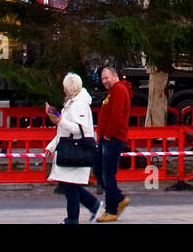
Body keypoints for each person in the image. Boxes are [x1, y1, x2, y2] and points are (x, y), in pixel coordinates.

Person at [45, 72, 103, 224]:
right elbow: (64, 122)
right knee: (70, 186)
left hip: (75, 151)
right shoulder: (72, 102)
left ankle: (73, 218)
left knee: (69, 187)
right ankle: (93, 206)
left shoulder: (78, 104)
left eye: (65, 87)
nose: (63, 90)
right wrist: (53, 113)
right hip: (72, 150)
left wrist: (59, 120)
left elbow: (78, 128)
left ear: (69, 88)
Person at [95, 66, 132, 222]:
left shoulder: (118, 90)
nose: (104, 81)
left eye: (106, 78)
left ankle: (111, 210)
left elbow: (117, 114)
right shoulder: (113, 91)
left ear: (114, 76)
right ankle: (119, 199)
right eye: (102, 79)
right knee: (100, 171)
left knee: (107, 175)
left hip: (113, 138)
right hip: (107, 137)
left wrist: (108, 133)